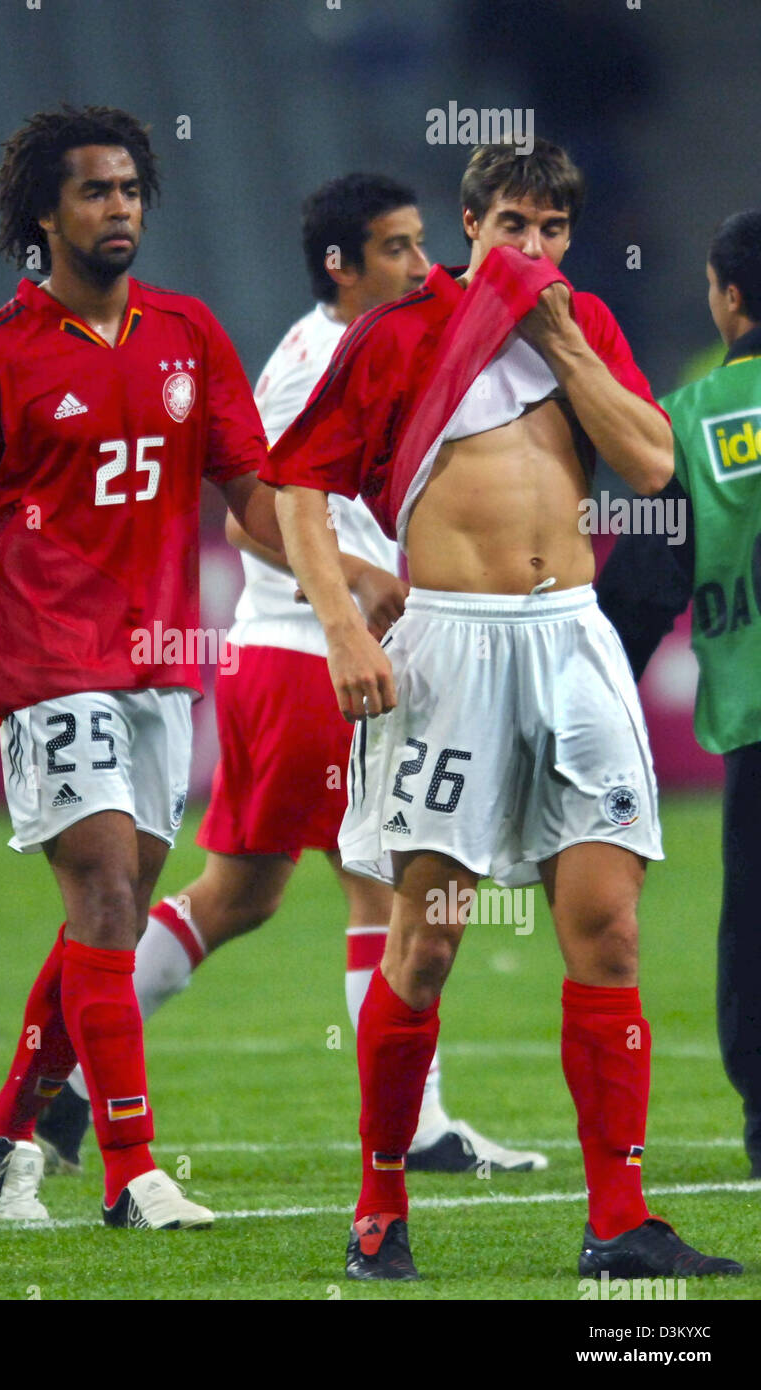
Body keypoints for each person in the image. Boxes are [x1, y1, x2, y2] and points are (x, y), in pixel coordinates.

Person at [263, 140, 742, 1281]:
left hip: (570, 638)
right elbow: (295, 489)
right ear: (469, 227)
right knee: (425, 940)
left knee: (612, 929)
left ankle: (619, 1222)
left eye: (553, 230)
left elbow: (652, 463)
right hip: (453, 649)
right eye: (514, 227)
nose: (534, 249)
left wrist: (563, 337)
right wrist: (339, 625)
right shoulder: (398, 333)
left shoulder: (580, 325)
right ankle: (381, 1205)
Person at [37, 173, 548, 1181]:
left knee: (249, 894)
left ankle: (57, 1089)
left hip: (298, 658)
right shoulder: (310, 361)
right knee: (382, 889)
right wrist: (354, 585)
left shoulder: (372, 343)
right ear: (340, 266)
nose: (419, 265)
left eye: (419, 245)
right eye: (397, 249)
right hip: (314, 657)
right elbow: (249, 510)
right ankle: (414, 1124)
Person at [0, 105, 294, 1230]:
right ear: (44, 215)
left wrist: (338, 576)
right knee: (107, 888)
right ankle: (130, 1170)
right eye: (95, 192)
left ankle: (9, 1115)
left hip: (161, 663)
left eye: (130, 188)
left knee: (108, 918)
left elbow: (247, 486)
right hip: (49, 662)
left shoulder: (188, 332)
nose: (120, 208)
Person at [597, 209, 761, 1179]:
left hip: (755, 719)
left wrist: (588, 690)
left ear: (730, 298)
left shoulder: (689, 423)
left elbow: (643, 595)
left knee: (754, 936)